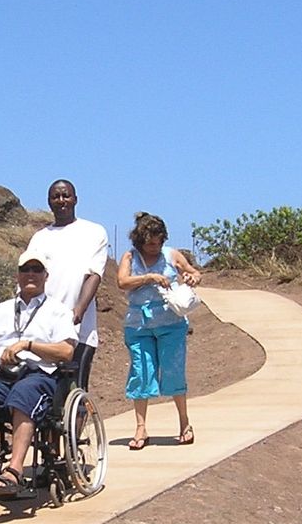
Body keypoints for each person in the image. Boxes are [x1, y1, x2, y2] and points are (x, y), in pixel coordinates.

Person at [0, 256, 78, 496]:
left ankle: (14, 471)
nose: (31, 274)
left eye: (36, 269)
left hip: (39, 376)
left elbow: (66, 351)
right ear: (17, 275)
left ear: (46, 276)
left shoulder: (58, 311)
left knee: (25, 392)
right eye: (25, 269)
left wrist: (29, 345)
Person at [114, 211, 202, 449]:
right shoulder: (130, 257)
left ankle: (184, 423)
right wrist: (149, 278)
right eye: (149, 243)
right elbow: (122, 282)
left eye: (158, 242)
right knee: (141, 372)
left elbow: (193, 272)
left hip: (171, 322)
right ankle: (141, 428)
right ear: (139, 240)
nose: (154, 247)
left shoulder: (172, 254)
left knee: (173, 371)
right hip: (138, 324)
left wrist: (193, 278)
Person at [20, 179, 110, 388]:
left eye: (66, 195)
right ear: (49, 202)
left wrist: (78, 311)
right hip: (43, 329)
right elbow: (28, 279)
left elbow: (94, 274)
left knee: (75, 390)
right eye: (55, 197)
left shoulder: (94, 232)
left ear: (75, 199)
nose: (61, 200)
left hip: (79, 329)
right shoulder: (40, 238)